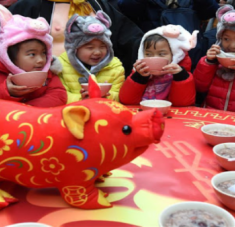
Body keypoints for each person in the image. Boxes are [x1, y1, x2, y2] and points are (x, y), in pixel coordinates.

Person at [8, 0, 144, 77]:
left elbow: (131, 38)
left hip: (98, 80)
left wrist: (157, 46)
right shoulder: (29, 5)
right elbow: (6, 45)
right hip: (50, 83)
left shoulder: (98, 5)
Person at [0, 5, 67, 107]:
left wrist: (30, 109)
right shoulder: (2, 72)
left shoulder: (47, 73)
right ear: (9, 56)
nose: (40, 60)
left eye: (43, 53)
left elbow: (58, 94)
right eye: (32, 54)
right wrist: (8, 91)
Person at [119, 24, 197, 106]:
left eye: (162, 54)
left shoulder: (181, 75)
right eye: (148, 54)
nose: (154, 58)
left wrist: (180, 77)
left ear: (174, 55)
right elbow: (126, 100)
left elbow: (183, 103)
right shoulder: (139, 73)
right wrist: (139, 77)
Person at [58, 11, 125, 103]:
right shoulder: (61, 66)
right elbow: (58, 95)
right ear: (75, 48)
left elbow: (121, 95)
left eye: (103, 46)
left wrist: (106, 96)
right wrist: (81, 98)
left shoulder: (115, 67)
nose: (97, 52)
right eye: (90, 47)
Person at [193, 4, 235, 111]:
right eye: (226, 39)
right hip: (211, 114)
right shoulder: (217, 59)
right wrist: (208, 62)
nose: (232, 46)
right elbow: (199, 87)